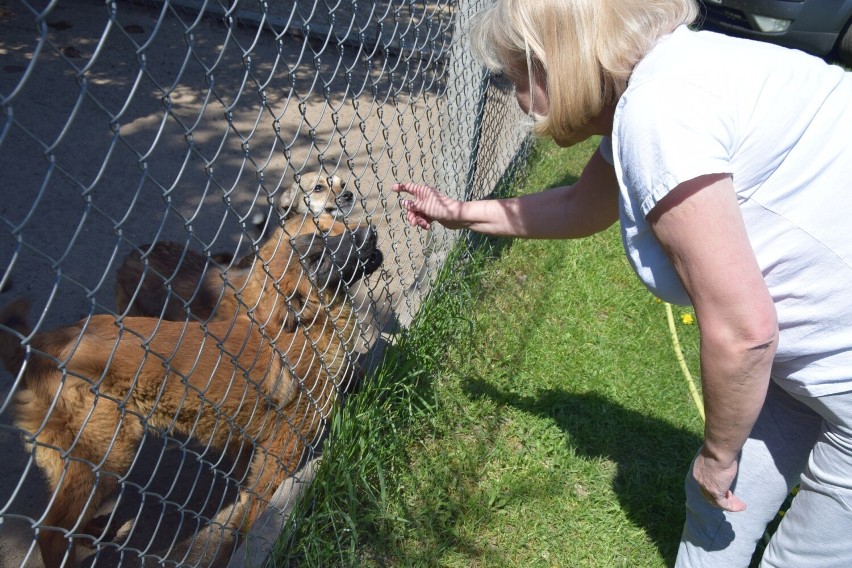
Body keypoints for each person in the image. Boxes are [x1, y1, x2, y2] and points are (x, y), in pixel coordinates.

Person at [392, 0, 852, 566]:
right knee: (718, 507)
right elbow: (579, 206)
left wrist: (717, 451)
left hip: (833, 363)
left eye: (516, 73)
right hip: (815, 350)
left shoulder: (661, 114)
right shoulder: (666, 79)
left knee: (803, 555)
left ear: (559, 60)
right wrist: (461, 212)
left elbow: (745, 333)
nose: (513, 96)